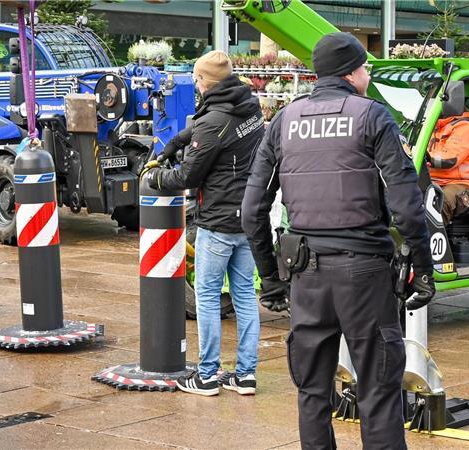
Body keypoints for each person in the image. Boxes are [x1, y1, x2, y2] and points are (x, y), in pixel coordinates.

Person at [241, 32, 436, 449]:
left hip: (305, 273)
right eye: (365, 66)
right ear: (351, 72)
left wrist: (270, 278)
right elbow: (406, 203)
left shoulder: (284, 121)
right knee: (379, 391)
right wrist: (423, 267)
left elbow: (252, 208)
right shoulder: (372, 116)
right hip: (364, 271)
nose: (367, 73)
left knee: (312, 391)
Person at [145, 50, 264, 396]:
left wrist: (156, 179)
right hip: (247, 217)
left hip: (217, 222)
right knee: (243, 295)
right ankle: (245, 376)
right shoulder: (249, 107)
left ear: (203, 81)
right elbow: (208, 129)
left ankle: (207, 375)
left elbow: (188, 174)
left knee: (208, 297)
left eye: (196, 79)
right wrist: (176, 142)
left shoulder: (214, 122)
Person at [427, 81, 469, 224]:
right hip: (434, 181)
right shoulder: (432, 126)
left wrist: (423, 156)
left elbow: (449, 159)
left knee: (438, 203)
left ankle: (425, 243)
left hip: (463, 183)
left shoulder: (465, 126)